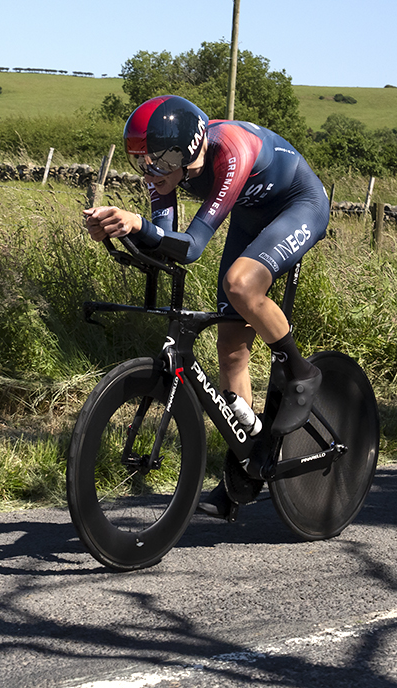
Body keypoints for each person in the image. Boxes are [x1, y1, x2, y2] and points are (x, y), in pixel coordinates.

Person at [83, 94, 330, 519]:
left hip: (298, 205)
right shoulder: (164, 172)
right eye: (140, 161)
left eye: (156, 161)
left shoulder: (231, 148)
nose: (148, 172)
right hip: (252, 213)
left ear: (185, 149)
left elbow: (194, 246)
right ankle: (245, 471)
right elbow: (168, 244)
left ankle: (301, 372)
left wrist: (137, 223)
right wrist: (119, 230)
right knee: (231, 344)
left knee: (240, 285)